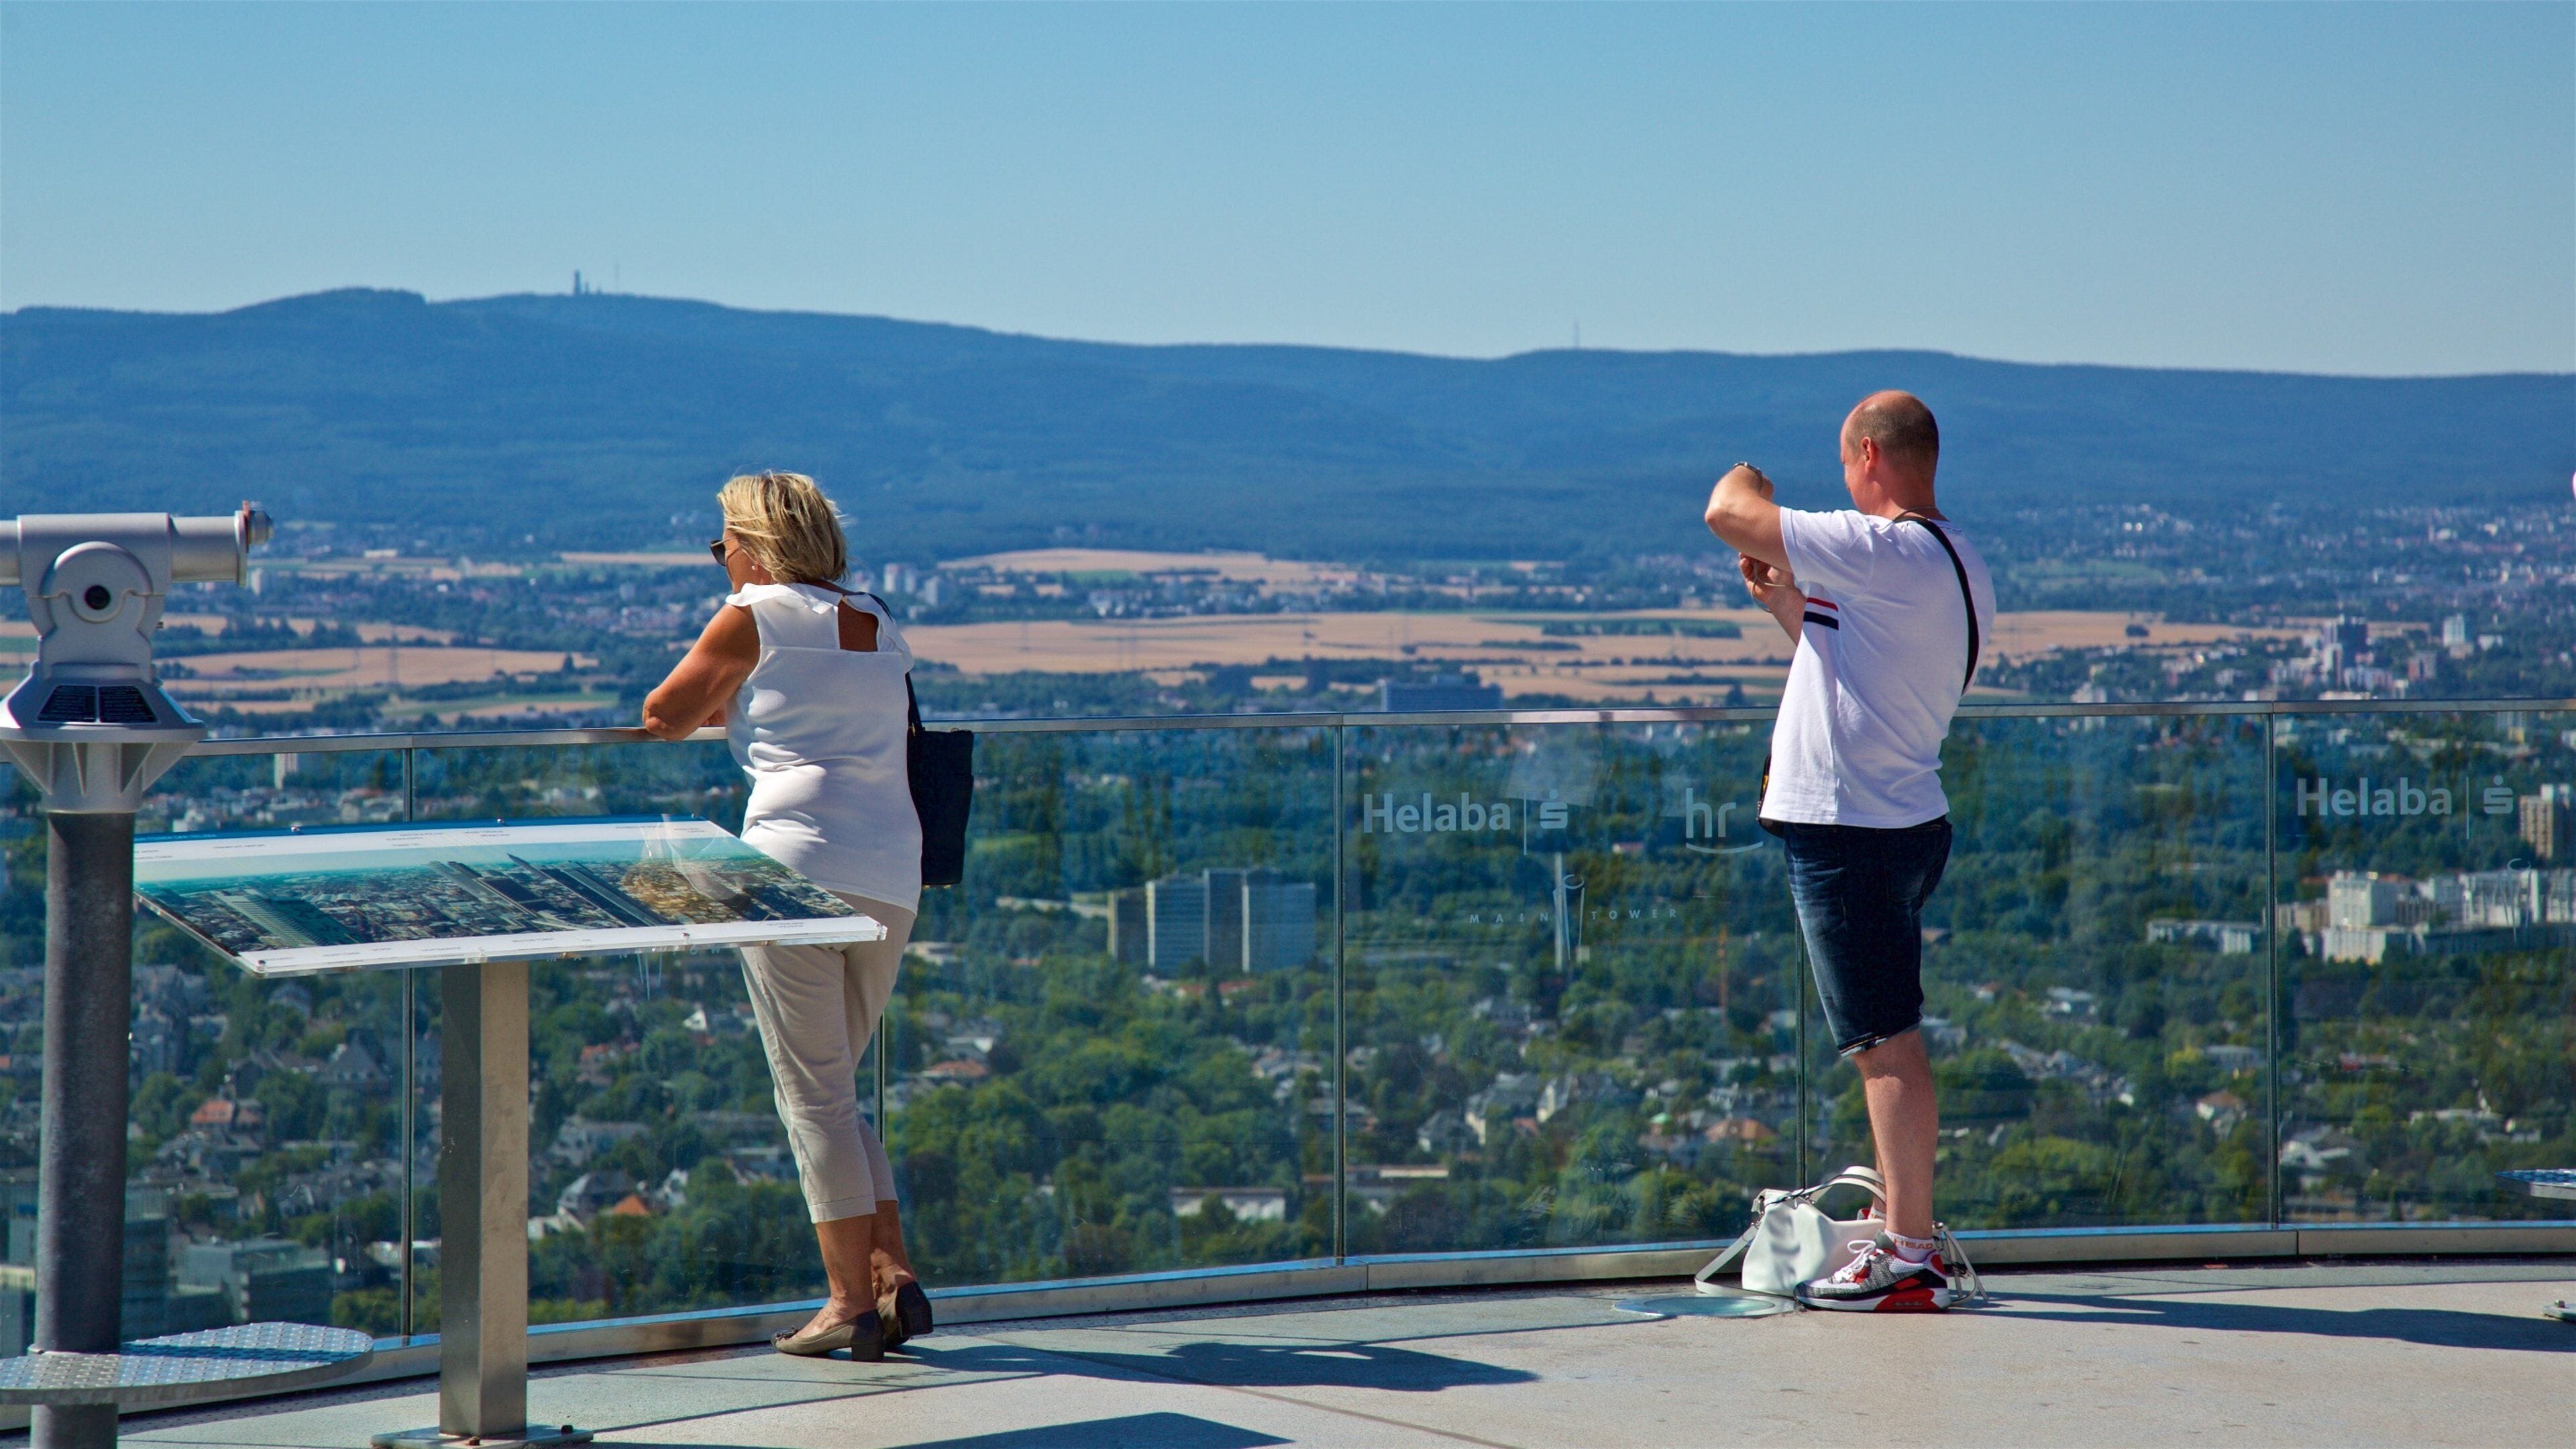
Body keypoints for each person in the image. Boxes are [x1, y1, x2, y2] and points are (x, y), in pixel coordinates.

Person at [1702, 392, 1994, 1312]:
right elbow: (1856, 671)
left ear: (1868, 455)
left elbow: (1725, 511)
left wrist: (1749, 479)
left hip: (1852, 832)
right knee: (1887, 1035)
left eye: (1845, 466)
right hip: (1894, 818)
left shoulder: (1887, 548)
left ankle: (1908, 1249)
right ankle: (1906, 1236)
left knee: (1885, 1044)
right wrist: (1790, 602)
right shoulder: (1952, 562)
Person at [642, 470, 932, 1359]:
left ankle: (844, 1299)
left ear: (754, 544)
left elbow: (663, 715)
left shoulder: (753, 616)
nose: (719, 559)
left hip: (792, 867)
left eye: (721, 542)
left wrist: (728, 703)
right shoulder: (878, 619)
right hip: (894, 868)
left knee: (812, 1095)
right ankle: (889, 1280)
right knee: (837, 1086)